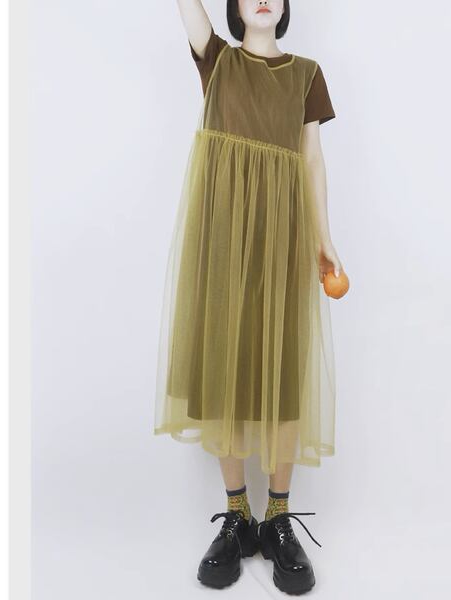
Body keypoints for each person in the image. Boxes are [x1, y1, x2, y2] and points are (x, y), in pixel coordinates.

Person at [154, 0, 343, 594]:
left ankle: (277, 517)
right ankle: (237, 515)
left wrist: (324, 239)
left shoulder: (306, 74)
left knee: (283, 374)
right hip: (223, 238)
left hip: (284, 238)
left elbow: (312, 160)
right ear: (234, 7)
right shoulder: (218, 61)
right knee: (226, 370)